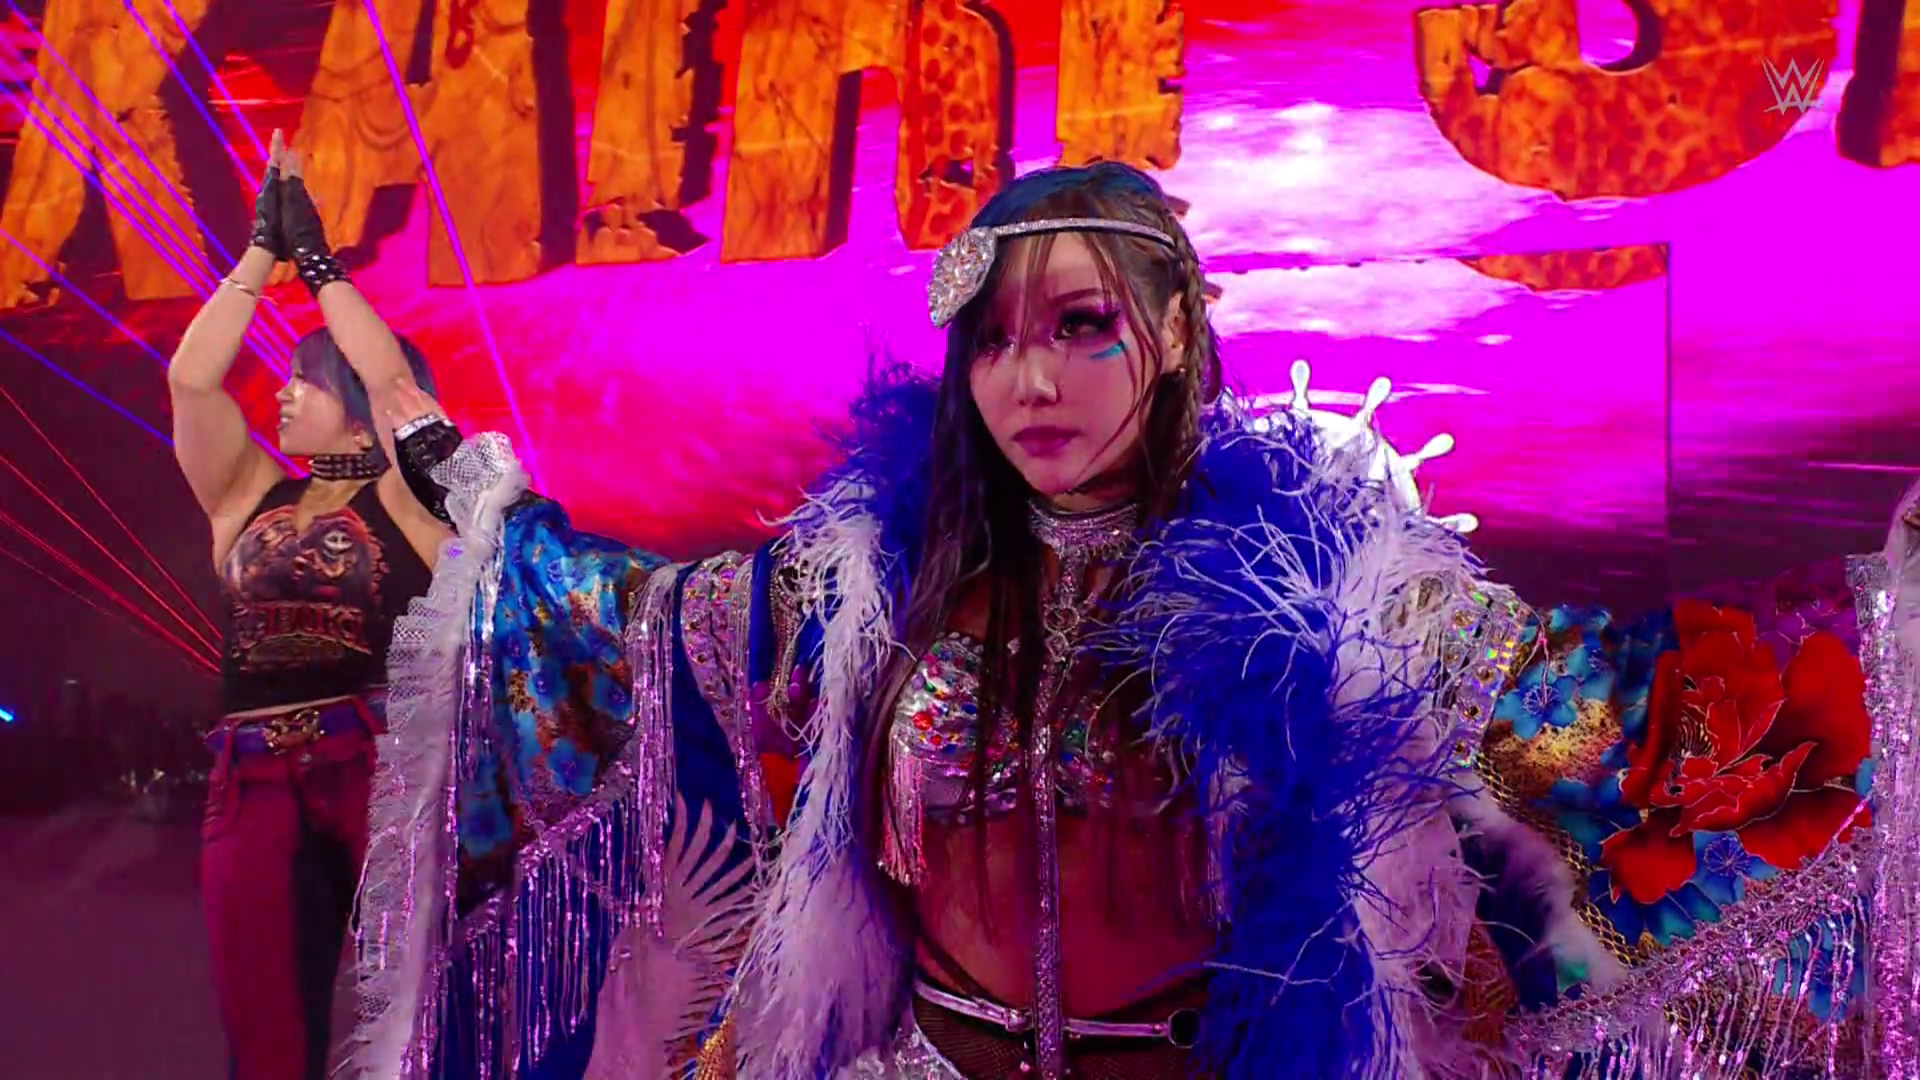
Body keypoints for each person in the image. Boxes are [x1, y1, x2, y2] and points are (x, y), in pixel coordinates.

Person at [340, 161, 1917, 1079]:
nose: (1031, 379)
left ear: (1171, 333)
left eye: (1083, 327)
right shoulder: (872, 585)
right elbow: (614, 623)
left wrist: (1892, 623)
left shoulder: (1331, 593)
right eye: (994, 339)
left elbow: (1613, 711)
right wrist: (457, 485)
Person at [166, 129, 449, 1080]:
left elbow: (393, 380)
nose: (281, 397)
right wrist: (261, 252)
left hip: (380, 771)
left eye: (304, 381)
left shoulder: (410, 497)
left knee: (420, 1024)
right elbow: (191, 378)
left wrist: (321, 265)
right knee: (268, 1044)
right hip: (251, 783)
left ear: (356, 409)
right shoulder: (246, 493)